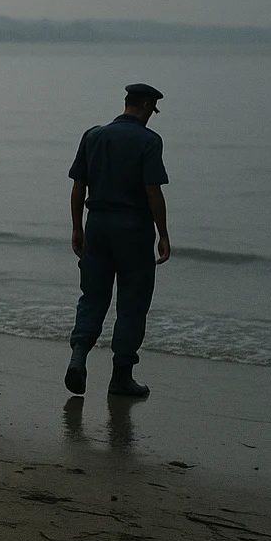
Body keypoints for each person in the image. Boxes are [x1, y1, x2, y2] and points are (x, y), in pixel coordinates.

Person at [65, 83, 171, 398]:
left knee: (92, 297)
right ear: (148, 105)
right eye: (152, 110)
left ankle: (78, 355)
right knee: (132, 304)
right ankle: (121, 377)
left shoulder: (93, 136)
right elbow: (153, 190)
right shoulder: (149, 141)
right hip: (134, 230)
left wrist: (76, 228)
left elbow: (77, 187)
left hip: (96, 225)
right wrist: (163, 233)